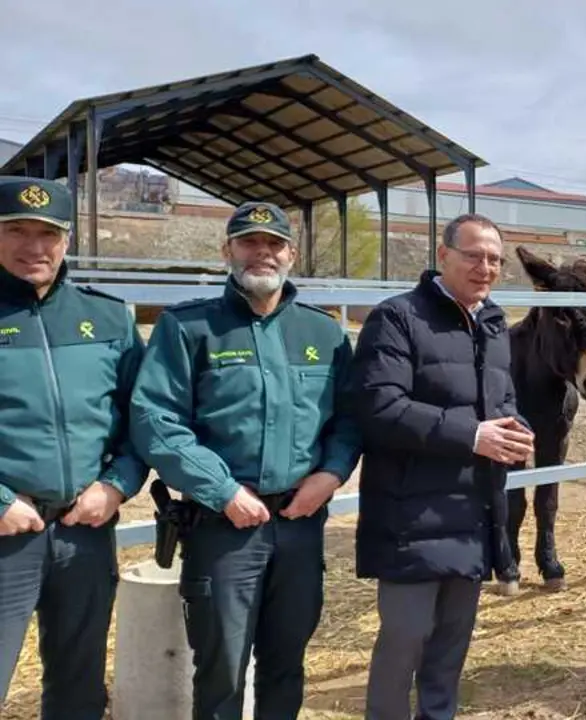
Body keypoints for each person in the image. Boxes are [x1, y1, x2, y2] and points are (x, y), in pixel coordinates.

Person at [129, 200, 362, 719]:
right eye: (249, 242)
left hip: (300, 526)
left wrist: (330, 475)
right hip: (223, 526)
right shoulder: (189, 328)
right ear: (227, 251)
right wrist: (224, 490)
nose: (262, 253)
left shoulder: (322, 334)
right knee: (221, 669)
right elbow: (156, 422)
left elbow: (349, 418)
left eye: (273, 243)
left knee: (287, 663)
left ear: (292, 254)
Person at [347, 213, 534, 720]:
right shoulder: (398, 318)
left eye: (494, 259)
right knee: (403, 645)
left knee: (449, 655)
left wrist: (514, 430)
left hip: (473, 515)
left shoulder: (494, 325)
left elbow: (503, 399)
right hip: (412, 517)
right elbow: (379, 408)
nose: (485, 267)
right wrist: (472, 435)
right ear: (443, 255)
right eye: (473, 255)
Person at [0, 176, 148, 716]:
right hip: (5, 530)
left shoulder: (108, 318)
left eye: (48, 233)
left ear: (67, 240)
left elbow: (144, 419)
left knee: (79, 683)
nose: (33, 246)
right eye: (16, 230)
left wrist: (115, 485)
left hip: (84, 531)